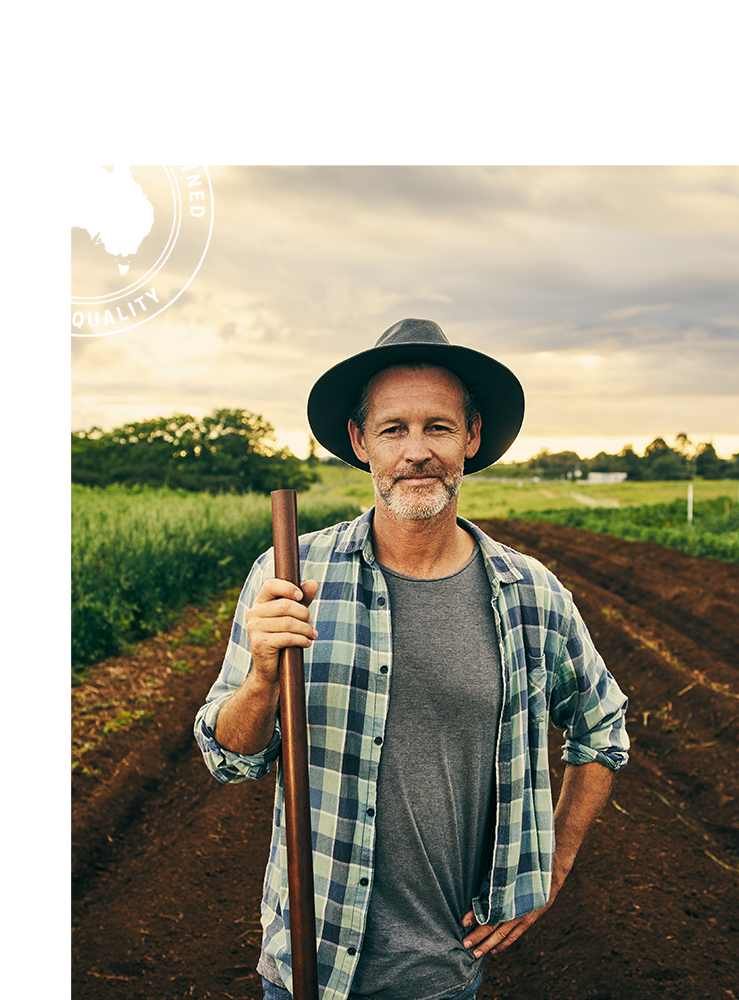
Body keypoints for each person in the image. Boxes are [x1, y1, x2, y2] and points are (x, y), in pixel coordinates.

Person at [194, 318, 629, 1000]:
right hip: (307, 965)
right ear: (361, 441)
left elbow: (603, 728)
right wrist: (260, 680)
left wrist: (550, 864)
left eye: (439, 427)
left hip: (442, 974)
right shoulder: (288, 573)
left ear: (472, 438)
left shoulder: (531, 595)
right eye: (394, 429)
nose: (417, 451)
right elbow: (228, 759)